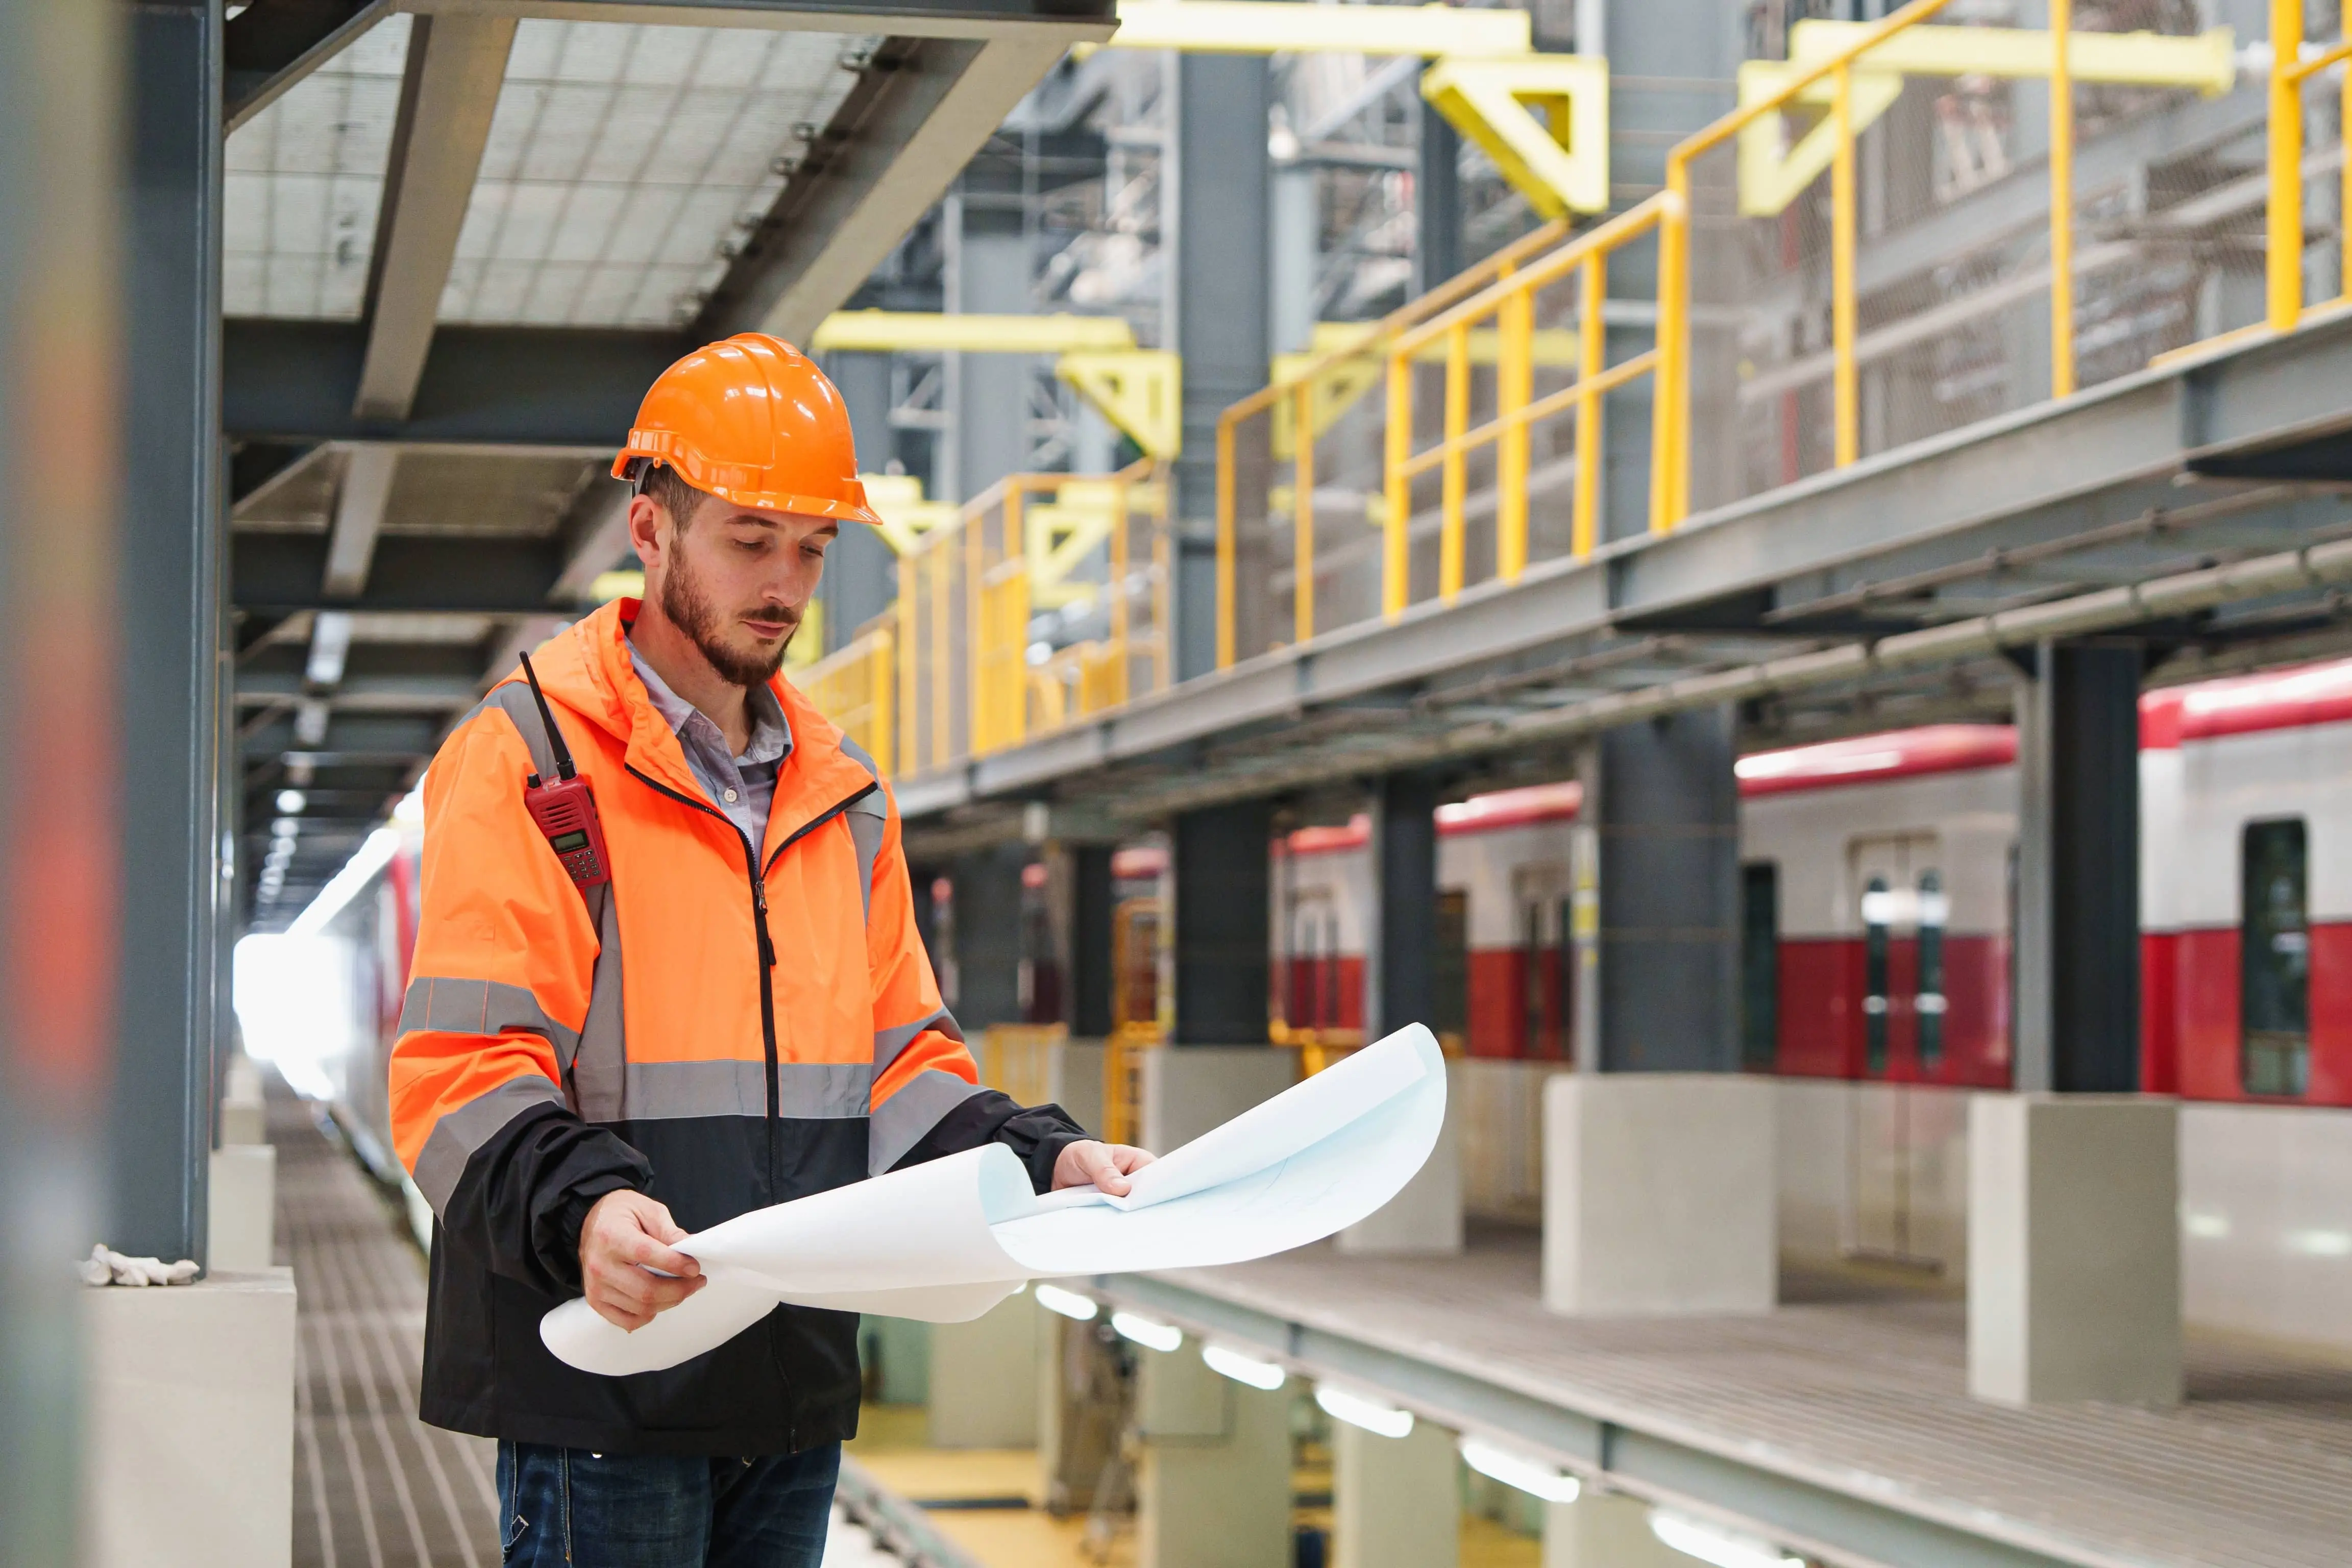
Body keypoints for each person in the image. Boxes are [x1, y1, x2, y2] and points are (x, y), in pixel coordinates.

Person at [387, 332, 1152, 1566]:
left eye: (811, 547)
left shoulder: (843, 797)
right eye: (749, 538)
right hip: (609, 1375)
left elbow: (902, 1070)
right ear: (651, 530)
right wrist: (586, 1213)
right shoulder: (530, 754)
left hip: (789, 1382)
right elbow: (463, 1071)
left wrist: (1040, 1160)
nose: (785, 582)